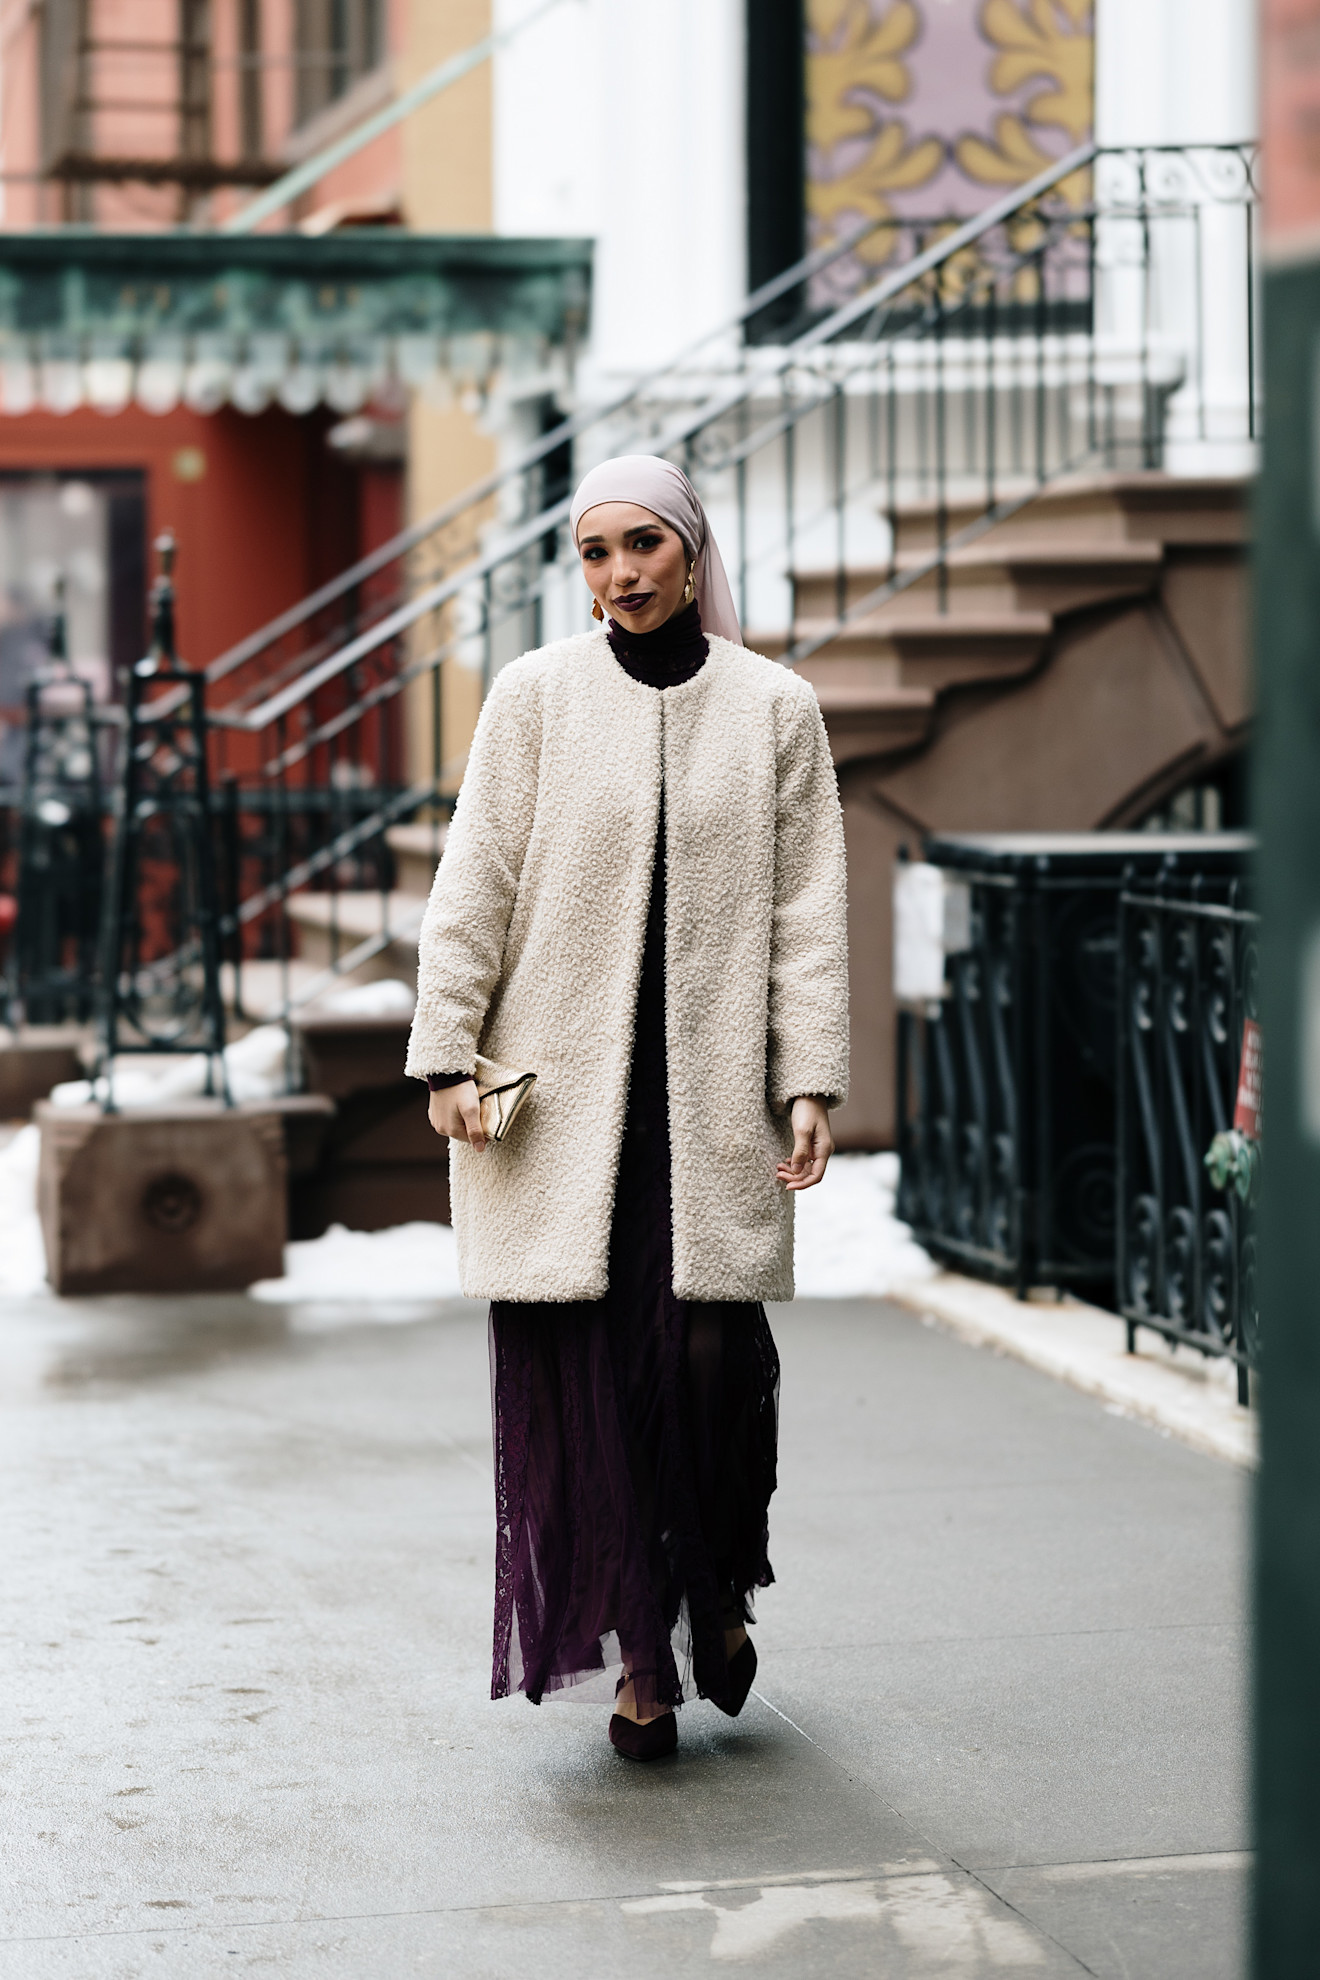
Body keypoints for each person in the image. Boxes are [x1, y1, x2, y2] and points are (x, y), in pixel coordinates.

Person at [407, 454, 849, 1761]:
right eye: (595, 553)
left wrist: (808, 1079)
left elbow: (811, 912)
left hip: (707, 1102)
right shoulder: (536, 697)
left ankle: (714, 1594)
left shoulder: (776, 708)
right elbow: (475, 878)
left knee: (711, 1367)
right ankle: (636, 1662)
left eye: (643, 545)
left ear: (693, 552)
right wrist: (447, 1051)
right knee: (595, 1386)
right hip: (568, 1110)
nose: (621, 575)